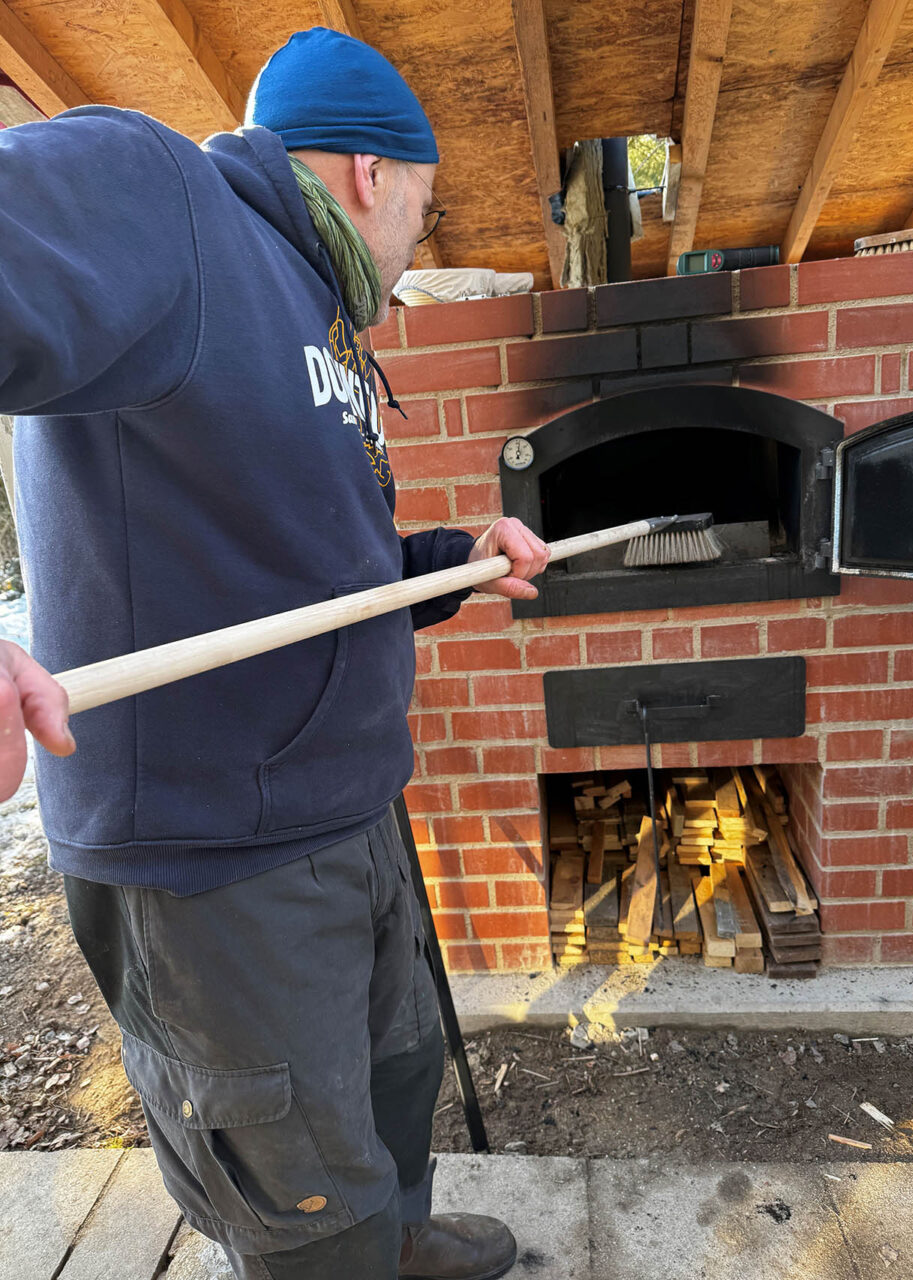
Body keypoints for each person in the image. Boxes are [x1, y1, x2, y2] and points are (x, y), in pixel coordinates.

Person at [0, 26, 550, 1280]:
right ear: (371, 171)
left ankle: (399, 1239)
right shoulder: (169, 203)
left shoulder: (321, 320)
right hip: (217, 860)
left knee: (395, 1067)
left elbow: (310, 572)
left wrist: (455, 559)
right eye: (425, 211)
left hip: (348, 805)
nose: (417, 247)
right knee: (302, 1193)